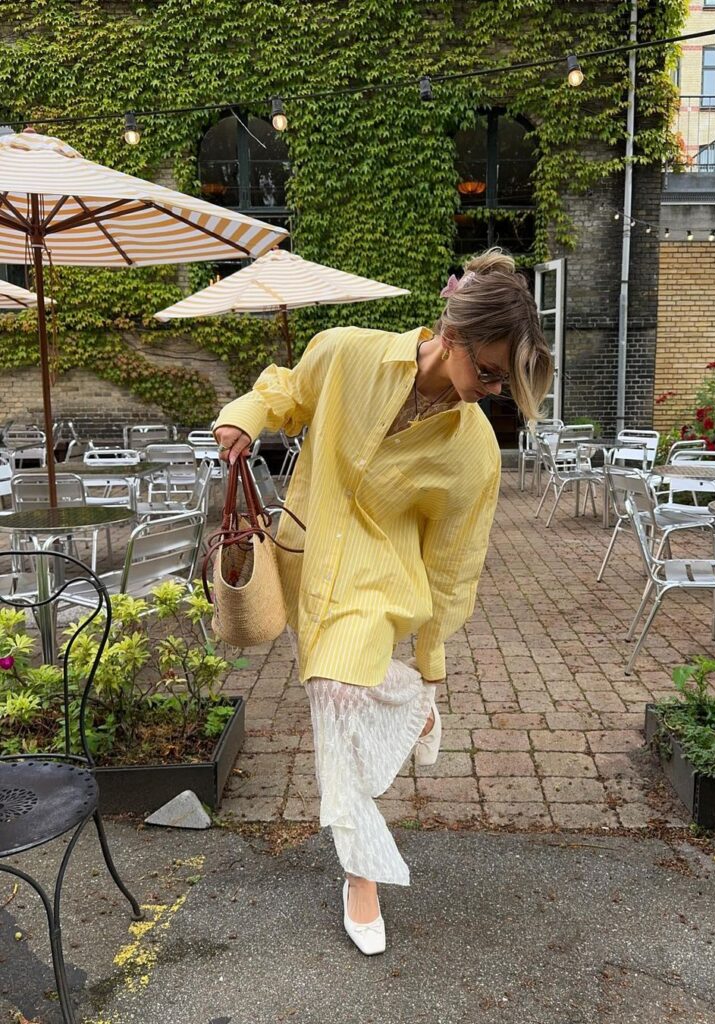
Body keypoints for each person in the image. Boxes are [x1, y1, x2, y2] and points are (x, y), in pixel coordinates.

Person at [213, 247, 552, 955]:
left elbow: (453, 569)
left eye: (502, 383)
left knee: (334, 696)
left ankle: (360, 875)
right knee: (336, 700)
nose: (488, 391)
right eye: (486, 372)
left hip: (379, 586)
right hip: (305, 560)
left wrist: (431, 662)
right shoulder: (344, 353)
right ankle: (399, 708)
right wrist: (245, 415)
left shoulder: (473, 453)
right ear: (450, 333)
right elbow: (285, 388)